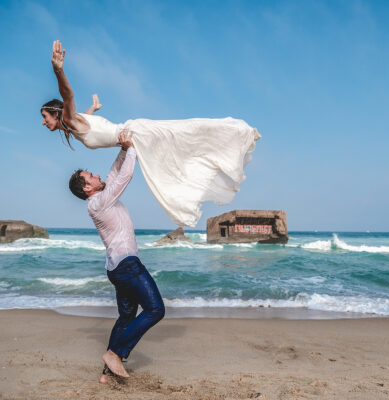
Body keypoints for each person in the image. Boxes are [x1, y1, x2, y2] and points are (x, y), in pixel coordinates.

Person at [43, 40, 261, 227]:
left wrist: (58, 71)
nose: (44, 122)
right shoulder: (76, 124)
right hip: (133, 138)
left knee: (186, 134)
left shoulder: (72, 119)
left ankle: (240, 134)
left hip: (136, 133)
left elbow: (68, 96)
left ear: (56, 113)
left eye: (45, 116)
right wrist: (94, 108)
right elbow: (88, 121)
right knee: (177, 152)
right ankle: (228, 146)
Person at [68, 129, 165, 382]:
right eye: (91, 175)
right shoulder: (99, 202)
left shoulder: (100, 197)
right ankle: (115, 353)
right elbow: (125, 176)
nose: (97, 174)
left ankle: (107, 374)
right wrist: (132, 148)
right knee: (156, 309)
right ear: (88, 187)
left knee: (126, 316)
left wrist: (123, 149)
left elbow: (113, 173)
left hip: (117, 268)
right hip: (127, 265)